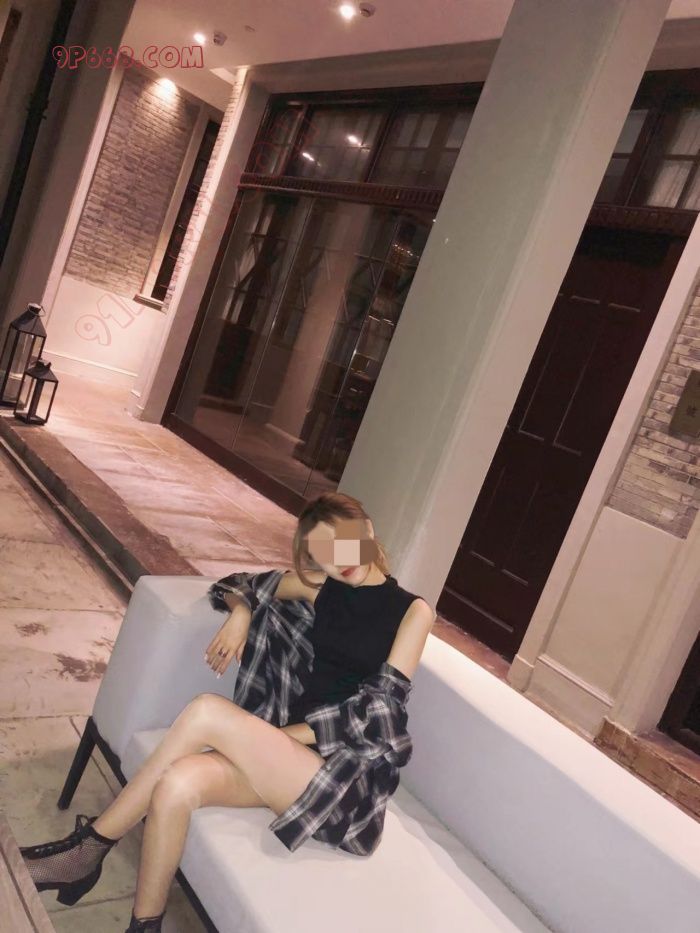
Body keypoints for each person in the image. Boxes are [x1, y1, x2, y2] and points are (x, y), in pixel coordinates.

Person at [18, 492, 435, 932]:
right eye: (323, 554)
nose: (339, 560)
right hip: (284, 762)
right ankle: (143, 925)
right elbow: (236, 584)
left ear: (366, 531)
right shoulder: (320, 589)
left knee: (206, 712)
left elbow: (378, 713)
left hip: (345, 783)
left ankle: (85, 852)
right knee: (176, 785)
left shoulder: (412, 611)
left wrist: (272, 737)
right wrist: (241, 613)